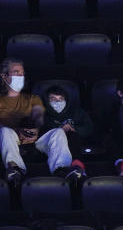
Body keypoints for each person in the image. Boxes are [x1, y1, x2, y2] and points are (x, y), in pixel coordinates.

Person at [0, 57, 85, 187]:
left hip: (35, 137)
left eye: (22, 73)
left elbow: (39, 120)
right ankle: (15, 169)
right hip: (11, 137)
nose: (20, 76)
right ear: (4, 77)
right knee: (5, 131)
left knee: (57, 132)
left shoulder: (33, 99)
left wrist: (34, 131)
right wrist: (18, 131)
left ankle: (61, 169)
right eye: (16, 73)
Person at [41, 85, 97, 156]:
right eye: (53, 98)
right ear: (47, 101)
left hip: (75, 146)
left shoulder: (77, 112)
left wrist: (74, 129)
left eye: (61, 98)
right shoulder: (41, 116)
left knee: (72, 136)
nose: (58, 101)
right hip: (51, 150)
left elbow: (89, 128)